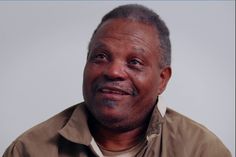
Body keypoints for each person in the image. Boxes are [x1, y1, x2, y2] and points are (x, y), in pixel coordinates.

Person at [3, 4, 231, 157]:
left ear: (162, 79)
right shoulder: (29, 150)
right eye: (101, 57)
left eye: (134, 62)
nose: (113, 71)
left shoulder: (201, 150)